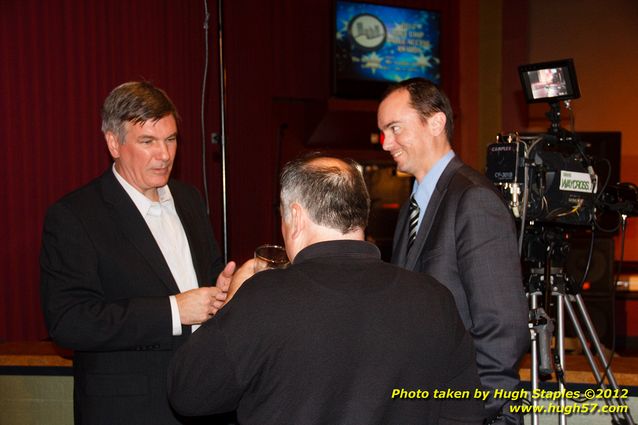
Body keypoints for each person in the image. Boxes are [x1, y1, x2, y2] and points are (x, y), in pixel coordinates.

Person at [168, 154, 486, 424]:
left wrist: (234, 298)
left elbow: (189, 393)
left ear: (295, 214)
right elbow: (464, 412)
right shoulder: (434, 299)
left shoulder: (264, 299)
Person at [40, 81, 249, 425]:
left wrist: (230, 286)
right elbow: (69, 322)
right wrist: (172, 310)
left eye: (171, 139)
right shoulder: (75, 215)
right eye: (148, 141)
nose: (164, 155)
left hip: (205, 400)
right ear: (113, 143)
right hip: (129, 410)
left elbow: (207, 283)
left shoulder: (189, 199)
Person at [377, 78, 530, 424]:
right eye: (383, 131)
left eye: (395, 128)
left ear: (436, 122)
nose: (386, 143)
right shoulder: (411, 208)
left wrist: (469, 409)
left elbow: (503, 327)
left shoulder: (473, 200)